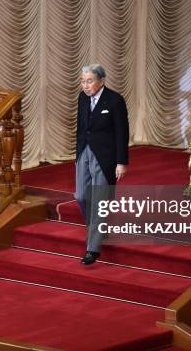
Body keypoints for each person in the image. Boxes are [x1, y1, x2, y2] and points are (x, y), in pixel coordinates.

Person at [75, 64, 129, 265]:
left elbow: (122, 133)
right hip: (84, 152)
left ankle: (93, 249)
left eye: (89, 81)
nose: (85, 85)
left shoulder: (115, 101)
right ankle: (100, 227)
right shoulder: (82, 98)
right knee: (80, 195)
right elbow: (81, 128)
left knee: (99, 201)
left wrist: (121, 162)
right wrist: (78, 154)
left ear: (101, 81)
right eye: (83, 81)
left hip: (105, 156)